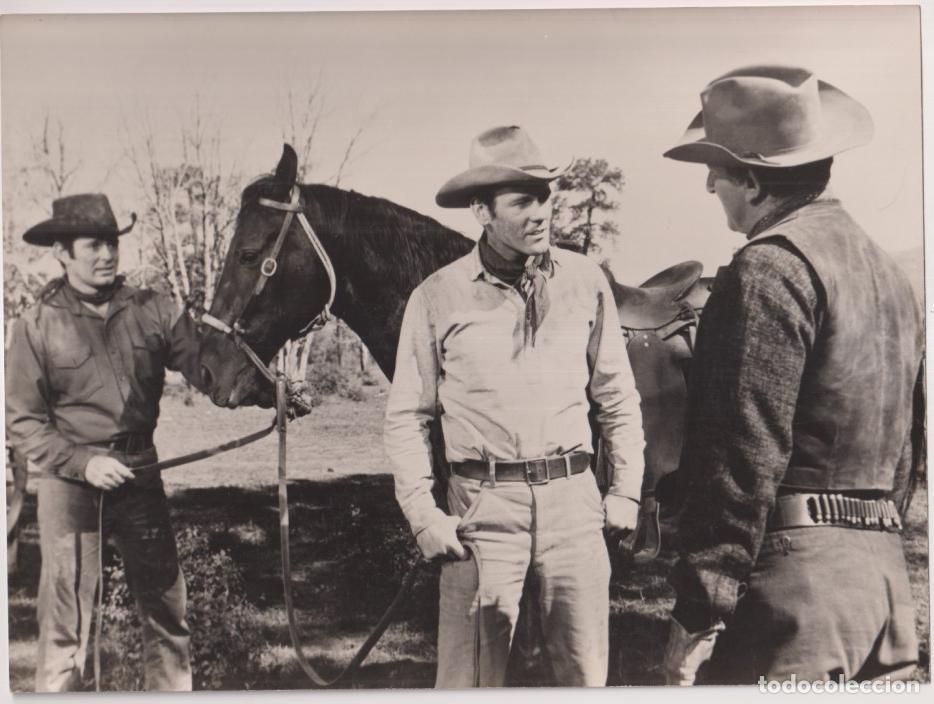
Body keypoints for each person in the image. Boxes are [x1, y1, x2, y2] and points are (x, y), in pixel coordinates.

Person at [660, 65, 922, 684]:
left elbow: (739, 453)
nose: (708, 186)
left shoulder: (768, 269)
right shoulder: (890, 273)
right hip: (883, 582)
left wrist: (700, 608)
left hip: (790, 595)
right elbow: (911, 443)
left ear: (752, 181)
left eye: (716, 170)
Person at [384, 125, 645, 687]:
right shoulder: (436, 297)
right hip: (481, 514)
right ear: (481, 210)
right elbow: (408, 417)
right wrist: (423, 514)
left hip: (575, 508)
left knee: (586, 678)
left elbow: (617, 397)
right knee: (468, 684)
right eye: (523, 200)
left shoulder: (585, 281)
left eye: (546, 196)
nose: (541, 212)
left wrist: (624, 490)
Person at [6, 193, 205, 692]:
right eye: (93, 245)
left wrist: (270, 388)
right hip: (69, 486)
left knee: (167, 614)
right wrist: (82, 464)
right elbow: (23, 423)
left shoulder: (153, 307)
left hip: (141, 473)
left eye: (112, 243)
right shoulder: (37, 324)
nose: (107, 255)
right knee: (65, 630)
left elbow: (210, 367)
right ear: (63, 252)